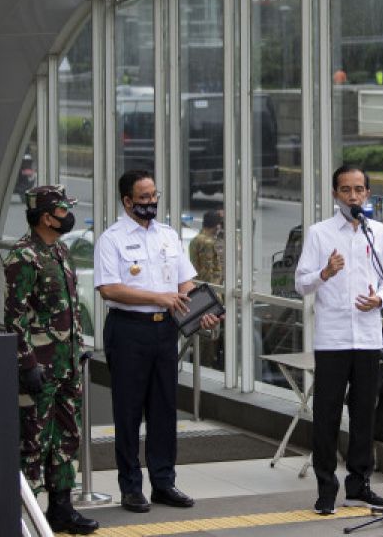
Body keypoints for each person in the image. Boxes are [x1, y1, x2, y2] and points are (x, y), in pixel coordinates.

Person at [94, 169, 220, 513]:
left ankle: (164, 483)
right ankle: (131, 487)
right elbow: (109, 289)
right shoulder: (112, 239)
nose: (151, 202)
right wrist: (160, 298)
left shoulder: (167, 235)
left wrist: (200, 311)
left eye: (154, 196)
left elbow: (185, 284)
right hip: (128, 330)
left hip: (165, 331)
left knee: (164, 409)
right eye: (144, 197)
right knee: (129, 411)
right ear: (127, 201)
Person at [295, 164, 383, 515]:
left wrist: (380, 299)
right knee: (325, 416)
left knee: (363, 415)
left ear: (367, 194)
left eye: (358, 190)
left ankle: (359, 486)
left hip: (368, 338)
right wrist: (325, 272)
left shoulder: (378, 233)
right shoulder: (320, 233)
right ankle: (327, 487)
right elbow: (301, 283)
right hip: (333, 339)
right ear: (335, 194)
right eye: (346, 190)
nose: (353, 196)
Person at [3, 184, 98, 534]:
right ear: (46, 217)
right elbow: (15, 318)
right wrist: (27, 365)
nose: (67, 216)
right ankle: (24, 517)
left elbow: (67, 308)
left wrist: (76, 347)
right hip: (39, 369)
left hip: (67, 364)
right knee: (33, 440)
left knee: (66, 438)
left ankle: (61, 508)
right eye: (62, 211)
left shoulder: (58, 250)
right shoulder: (23, 257)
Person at [189, 209, 224, 367]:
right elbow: (211, 271)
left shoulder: (195, 240)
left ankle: (200, 363)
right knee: (210, 336)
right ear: (217, 226)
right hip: (210, 294)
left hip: (197, 291)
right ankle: (207, 366)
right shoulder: (209, 243)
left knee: (200, 334)